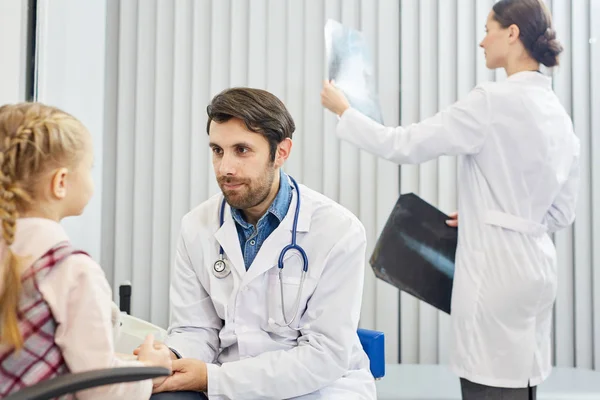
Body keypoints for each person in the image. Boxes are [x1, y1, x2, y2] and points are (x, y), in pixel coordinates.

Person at [321, 0, 579, 399]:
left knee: (486, 384)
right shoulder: (558, 114)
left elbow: (404, 144)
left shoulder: (491, 101)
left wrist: (345, 112)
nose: (481, 41)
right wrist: (490, 214)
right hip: (537, 272)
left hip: (495, 274)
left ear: (512, 34)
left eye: (488, 28)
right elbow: (562, 213)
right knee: (524, 383)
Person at [148, 87, 376, 399]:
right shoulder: (196, 226)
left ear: (281, 152)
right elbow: (195, 330)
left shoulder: (339, 231)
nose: (225, 168)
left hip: (318, 388)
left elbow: (324, 356)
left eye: (241, 150)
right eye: (217, 150)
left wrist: (212, 379)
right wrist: (172, 357)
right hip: (224, 381)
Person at [0, 103, 173, 398]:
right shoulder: (71, 270)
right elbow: (100, 391)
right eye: (89, 168)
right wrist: (148, 367)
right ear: (61, 183)